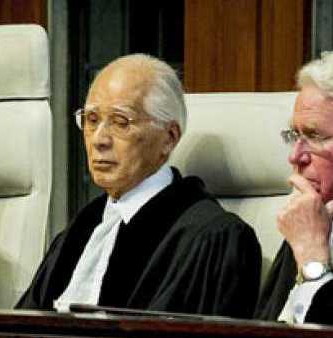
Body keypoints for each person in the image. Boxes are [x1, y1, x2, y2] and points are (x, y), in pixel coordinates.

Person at [17, 54, 260, 317]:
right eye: (92, 120)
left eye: (121, 122)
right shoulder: (81, 230)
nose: (99, 140)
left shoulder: (212, 238)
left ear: (169, 138)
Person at [256, 52, 333, 324]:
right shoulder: (310, 217)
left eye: (314, 136)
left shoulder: (309, 231)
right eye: (294, 135)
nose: (295, 156)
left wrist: (312, 257)